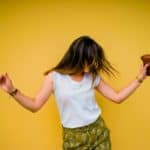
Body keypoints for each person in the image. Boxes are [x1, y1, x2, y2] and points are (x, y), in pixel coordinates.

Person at [0, 35, 150, 150]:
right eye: (91, 59)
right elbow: (35, 105)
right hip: (73, 138)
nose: (95, 63)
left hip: (98, 133)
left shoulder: (92, 76)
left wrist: (140, 78)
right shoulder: (54, 77)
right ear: (78, 56)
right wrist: (12, 91)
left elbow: (117, 97)